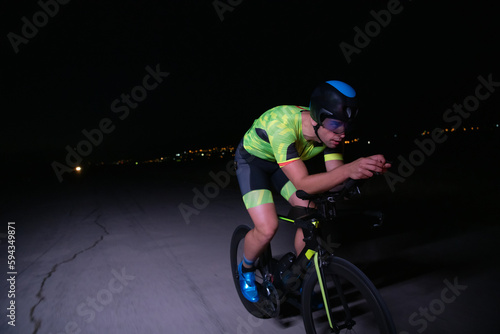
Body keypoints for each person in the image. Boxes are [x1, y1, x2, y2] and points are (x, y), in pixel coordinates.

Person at [234, 80, 391, 302]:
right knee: (267, 228)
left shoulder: (332, 134)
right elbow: (304, 184)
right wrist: (349, 169)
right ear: (319, 118)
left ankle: (297, 278)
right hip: (254, 162)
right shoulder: (282, 125)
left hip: (284, 165)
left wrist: (361, 173)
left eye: (347, 126)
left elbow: (335, 180)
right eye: (337, 125)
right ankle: (246, 269)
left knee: (310, 214)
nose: (342, 133)